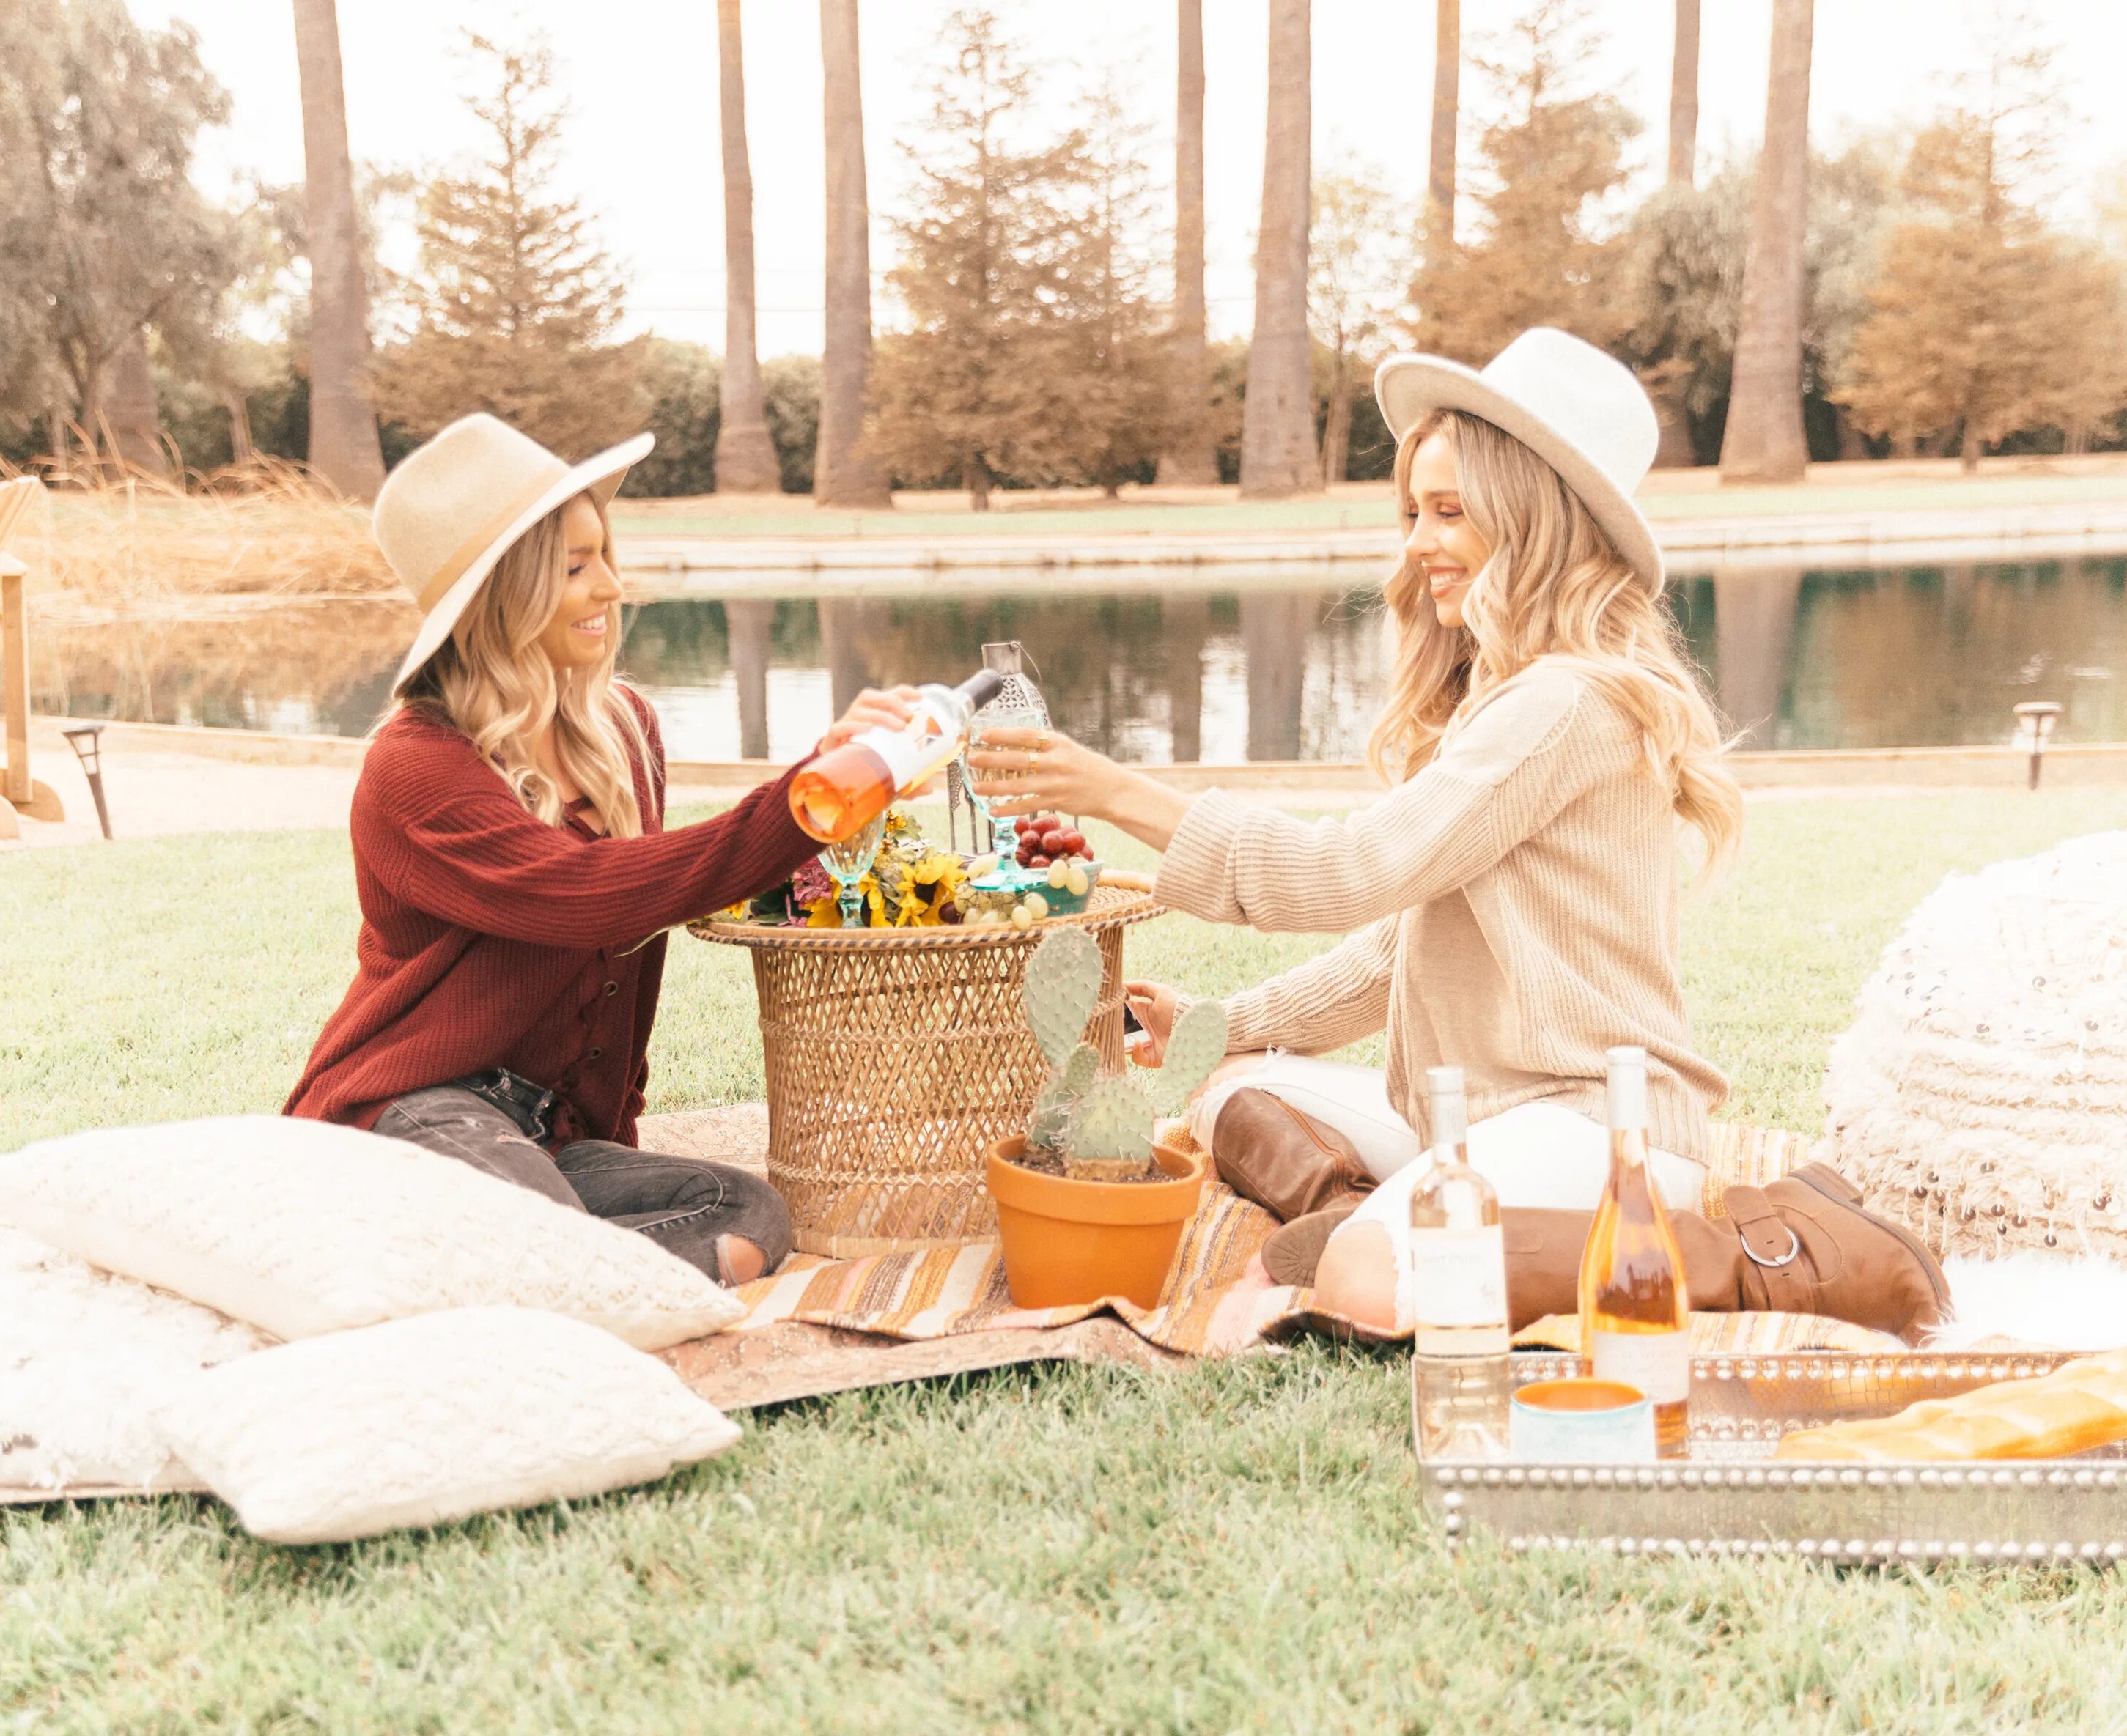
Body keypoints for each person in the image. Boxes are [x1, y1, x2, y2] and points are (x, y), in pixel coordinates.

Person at [970, 330, 1944, 1339]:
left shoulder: (1566, 705)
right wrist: (1229, 1018)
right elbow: (1400, 943)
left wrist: (1114, 791)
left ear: (1530, 523)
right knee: (1225, 1090)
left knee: (1364, 1285)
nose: (1417, 544)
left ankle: (1729, 1263)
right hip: (1473, 1112)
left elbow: (1348, 872)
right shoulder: (1508, 693)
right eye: (1413, 513)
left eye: (1449, 513)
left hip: (1593, 1120)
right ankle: (1374, 1208)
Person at [288, 413, 911, 1288]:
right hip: (409, 1110)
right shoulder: (417, 765)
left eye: (605, 557)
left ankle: (506, 1264)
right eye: (576, 568)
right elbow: (595, 896)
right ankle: (511, 1261)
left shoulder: (625, 731)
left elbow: (665, 910)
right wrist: (806, 800)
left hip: (550, 1138)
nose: (611, 587)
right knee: (555, 1232)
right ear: (503, 593)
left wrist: (844, 797)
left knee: (750, 1216)